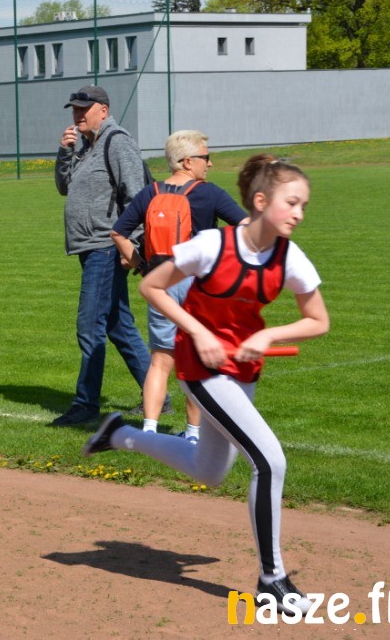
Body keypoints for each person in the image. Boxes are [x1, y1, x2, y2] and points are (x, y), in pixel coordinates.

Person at [82, 154, 329, 614]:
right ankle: (272, 580)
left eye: (304, 205)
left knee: (210, 471)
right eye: (291, 202)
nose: (299, 213)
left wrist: (269, 334)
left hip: (241, 370)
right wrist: (198, 332)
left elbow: (318, 320)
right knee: (270, 462)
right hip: (202, 366)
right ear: (260, 201)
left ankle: (120, 434)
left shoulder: (289, 256)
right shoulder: (213, 245)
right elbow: (152, 287)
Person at [111, 131, 247, 442]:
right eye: (205, 157)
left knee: (160, 361)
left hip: (161, 286)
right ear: (187, 161)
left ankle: (149, 429)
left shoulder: (150, 192)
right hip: (199, 287)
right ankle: (193, 433)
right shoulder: (210, 194)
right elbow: (245, 228)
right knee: (196, 361)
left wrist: (140, 264)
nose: (209, 164)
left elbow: (118, 233)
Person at [51, 85, 151, 426]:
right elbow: (63, 187)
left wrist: (132, 244)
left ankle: (86, 404)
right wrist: (65, 151)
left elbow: (137, 195)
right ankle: (157, 396)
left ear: (103, 110)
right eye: (75, 109)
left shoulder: (117, 141)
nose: (78, 114)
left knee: (89, 324)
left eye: (84, 108)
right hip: (90, 246)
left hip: (106, 247)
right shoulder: (85, 146)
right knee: (117, 325)